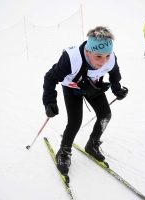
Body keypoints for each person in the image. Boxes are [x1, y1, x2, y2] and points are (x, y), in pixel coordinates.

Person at [42, 26, 128, 175]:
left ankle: (92, 144)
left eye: (107, 56)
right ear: (88, 51)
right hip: (72, 87)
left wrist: (117, 89)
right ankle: (64, 151)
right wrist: (50, 102)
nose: (104, 61)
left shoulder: (110, 58)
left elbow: (115, 73)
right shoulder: (71, 58)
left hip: (91, 85)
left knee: (105, 114)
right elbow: (50, 78)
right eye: (99, 56)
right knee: (75, 121)